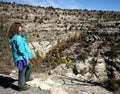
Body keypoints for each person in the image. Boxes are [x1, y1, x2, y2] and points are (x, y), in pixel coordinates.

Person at [8, 22, 33, 91]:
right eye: (20, 26)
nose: (21, 28)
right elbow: (21, 50)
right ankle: (21, 86)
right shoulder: (18, 38)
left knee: (28, 67)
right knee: (22, 71)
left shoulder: (15, 37)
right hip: (21, 57)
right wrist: (26, 58)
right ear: (16, 28)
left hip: (19, 57)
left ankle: (24, 81)